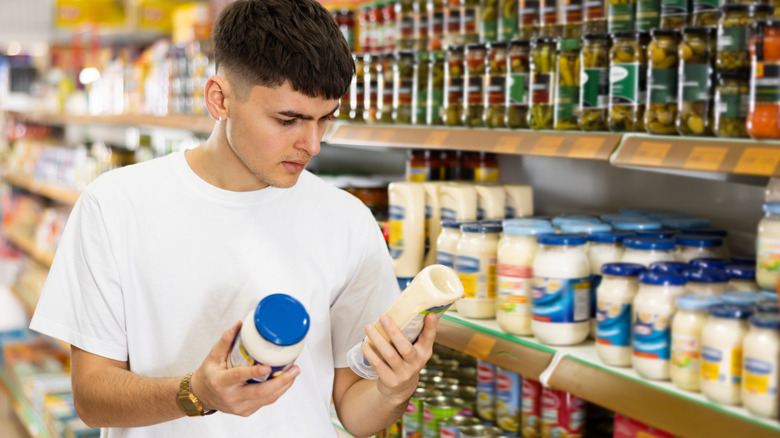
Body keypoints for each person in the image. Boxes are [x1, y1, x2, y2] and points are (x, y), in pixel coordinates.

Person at [29, 1, 439, 436]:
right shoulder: (114, 206)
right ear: (219, 99)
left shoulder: (348, 221)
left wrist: (395, 389)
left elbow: (356, 415)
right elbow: (92, 398)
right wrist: (195, 395)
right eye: (288, 119)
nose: (313, 144)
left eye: (325, 120)